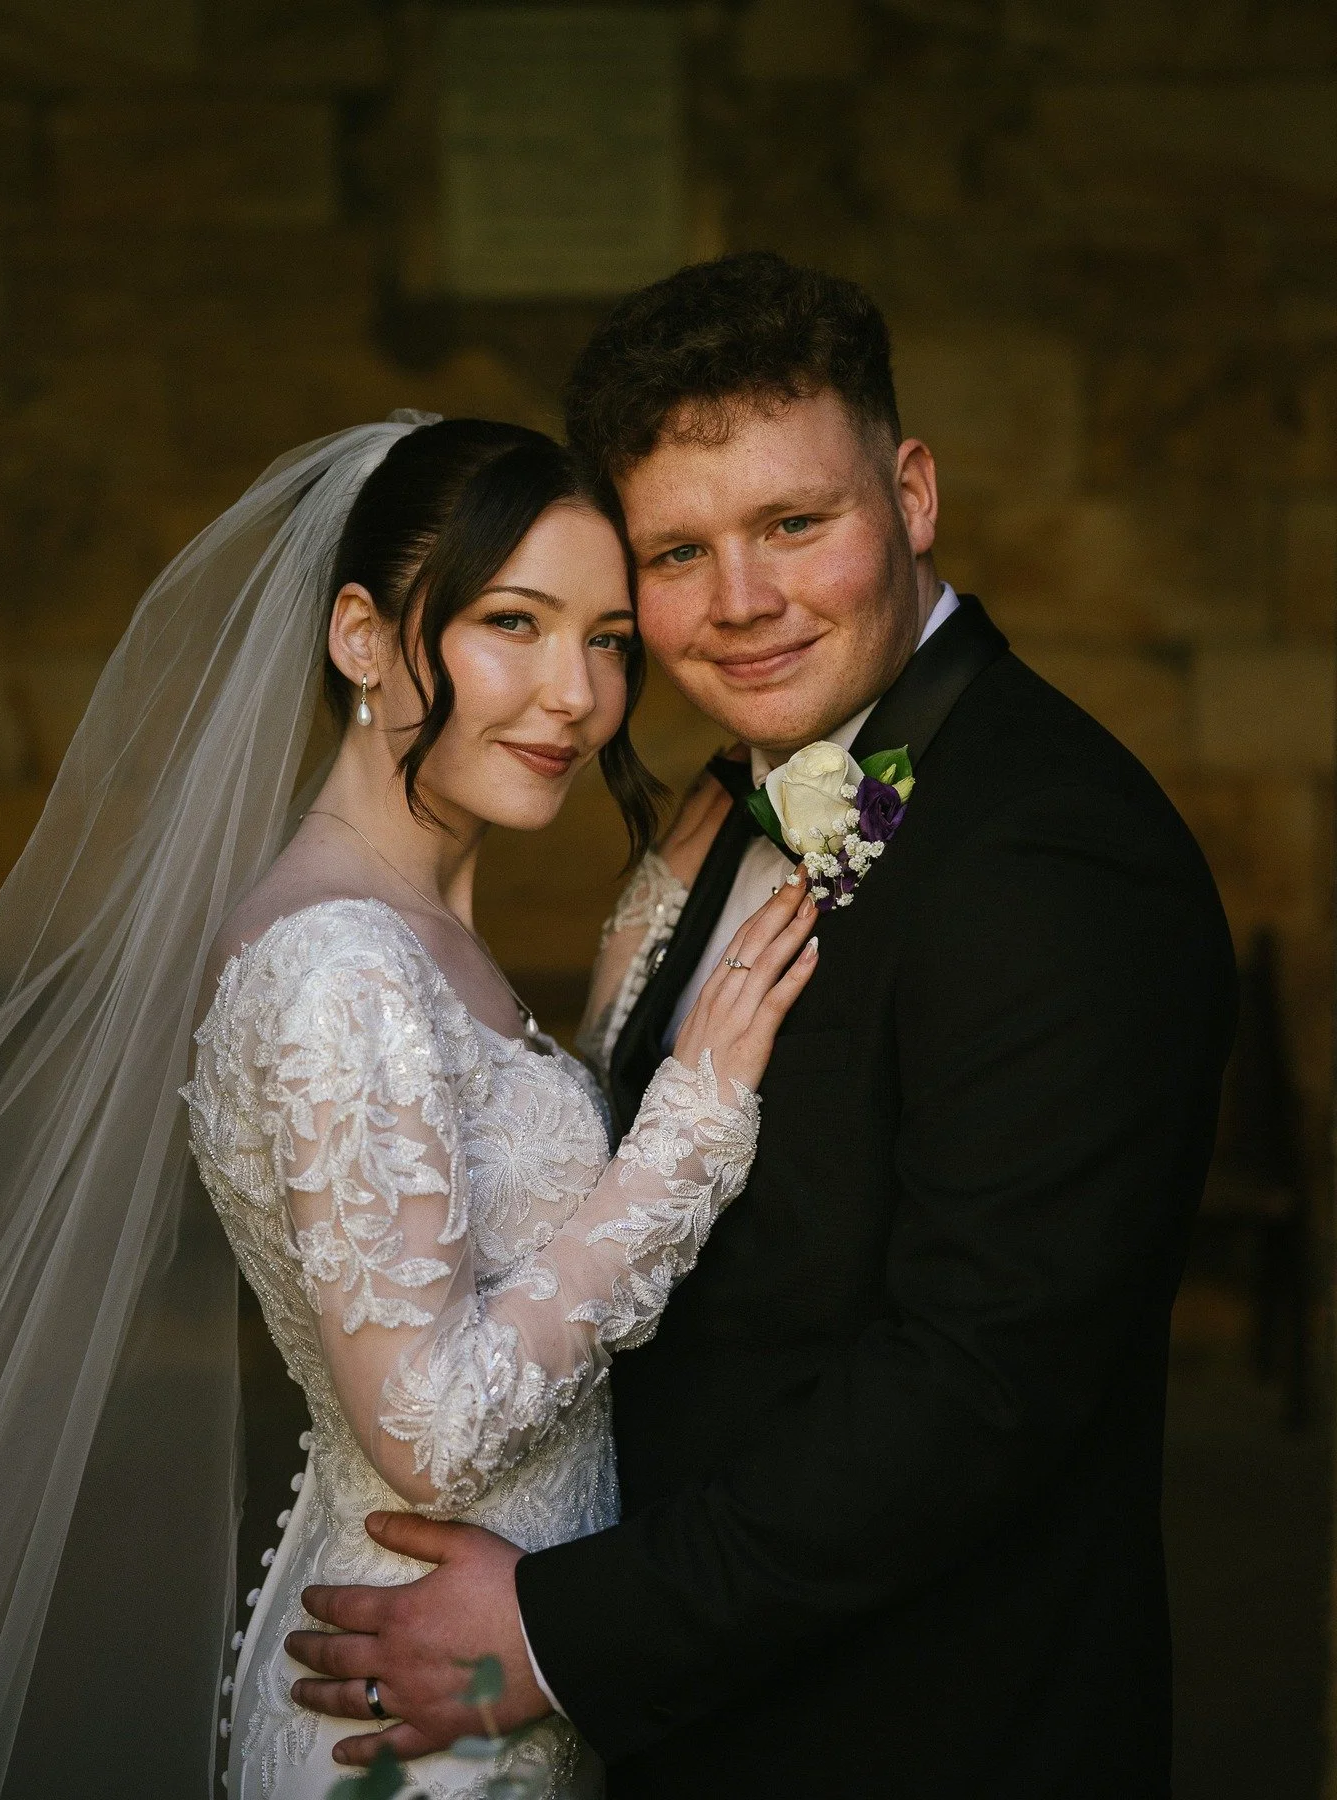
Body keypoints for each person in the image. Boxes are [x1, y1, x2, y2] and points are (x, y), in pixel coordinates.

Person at [292, 254, 1238, 1799]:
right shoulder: (746, 808)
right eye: (677, 551)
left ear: (914, 494)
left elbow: (973, 1386)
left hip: (923, 1732)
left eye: (795, 524)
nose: (740, 604)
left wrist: (554, 1629)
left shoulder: (1060, 855)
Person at [0, 409, 819, 1800]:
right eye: (514, 622)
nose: (575, 692)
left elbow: (483, 1198)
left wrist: (636, 960)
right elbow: (430, 1429)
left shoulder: (407, 928)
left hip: (483, 1665)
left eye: (610, 638)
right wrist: (690, 1131)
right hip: (415, 1722)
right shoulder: (340, 970)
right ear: (361, 637)